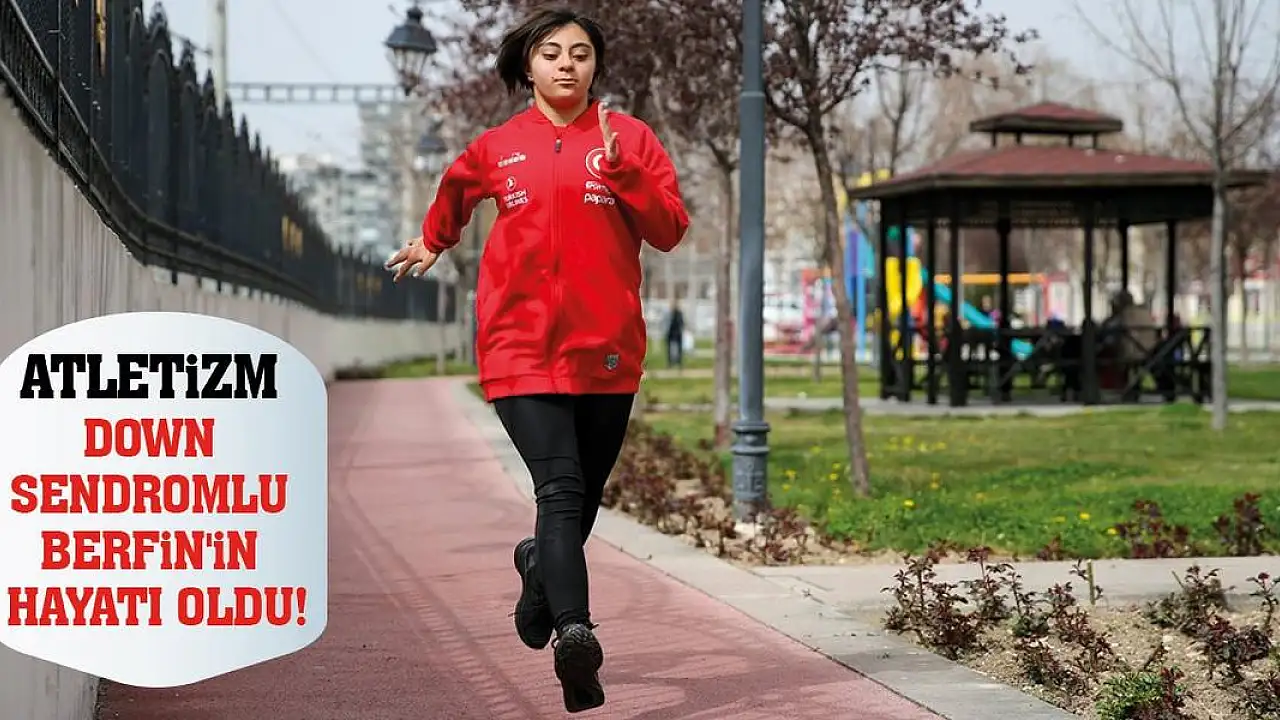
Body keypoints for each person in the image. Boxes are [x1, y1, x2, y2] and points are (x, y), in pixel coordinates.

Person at [384, 6, 689, 714]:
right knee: (560, 490)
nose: (566, 64)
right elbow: (457, 188)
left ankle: (536, 568)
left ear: (596, 66)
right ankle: (575, 635)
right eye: (551, 53)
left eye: (580, 53)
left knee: (582, 497)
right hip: (517, 345)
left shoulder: (631, 139)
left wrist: (625, 175)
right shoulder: (499, 147)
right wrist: (435, 239)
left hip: (605, 347)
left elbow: (670, 229)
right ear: (529, 66)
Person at [666, 302, 685, 368]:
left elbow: (681, 323)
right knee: (670, 349)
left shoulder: (678, 314)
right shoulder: (670, 314)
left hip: (677, 333)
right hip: (671, 333)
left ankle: (678, 362)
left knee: (678, 349)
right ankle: (671, 362)